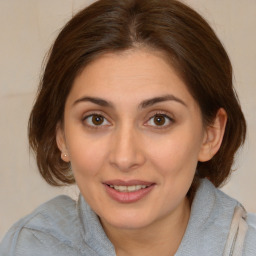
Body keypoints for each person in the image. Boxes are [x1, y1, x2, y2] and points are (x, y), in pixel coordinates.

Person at [0, 0, 255, 255]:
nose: (124, 158)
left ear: (210, 135)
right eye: (96, 119)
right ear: (61, 135)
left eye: (159, 119)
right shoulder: (27, 246)